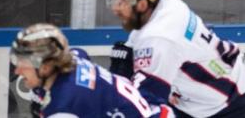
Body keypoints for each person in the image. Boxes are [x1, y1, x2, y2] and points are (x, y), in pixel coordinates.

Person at [105, 0, 245, 118]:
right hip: (193, 103)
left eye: (121, 2)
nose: (115, 8)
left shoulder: (159, 38)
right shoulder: (160, 0)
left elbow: (144, 104)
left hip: (232, 101)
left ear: (141, 4)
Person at [11, 23, 175, 118]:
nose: (18, 71)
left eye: (23, 65)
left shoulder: (64, 106)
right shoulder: (74, 58)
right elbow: (79, 52)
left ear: (45, 67)